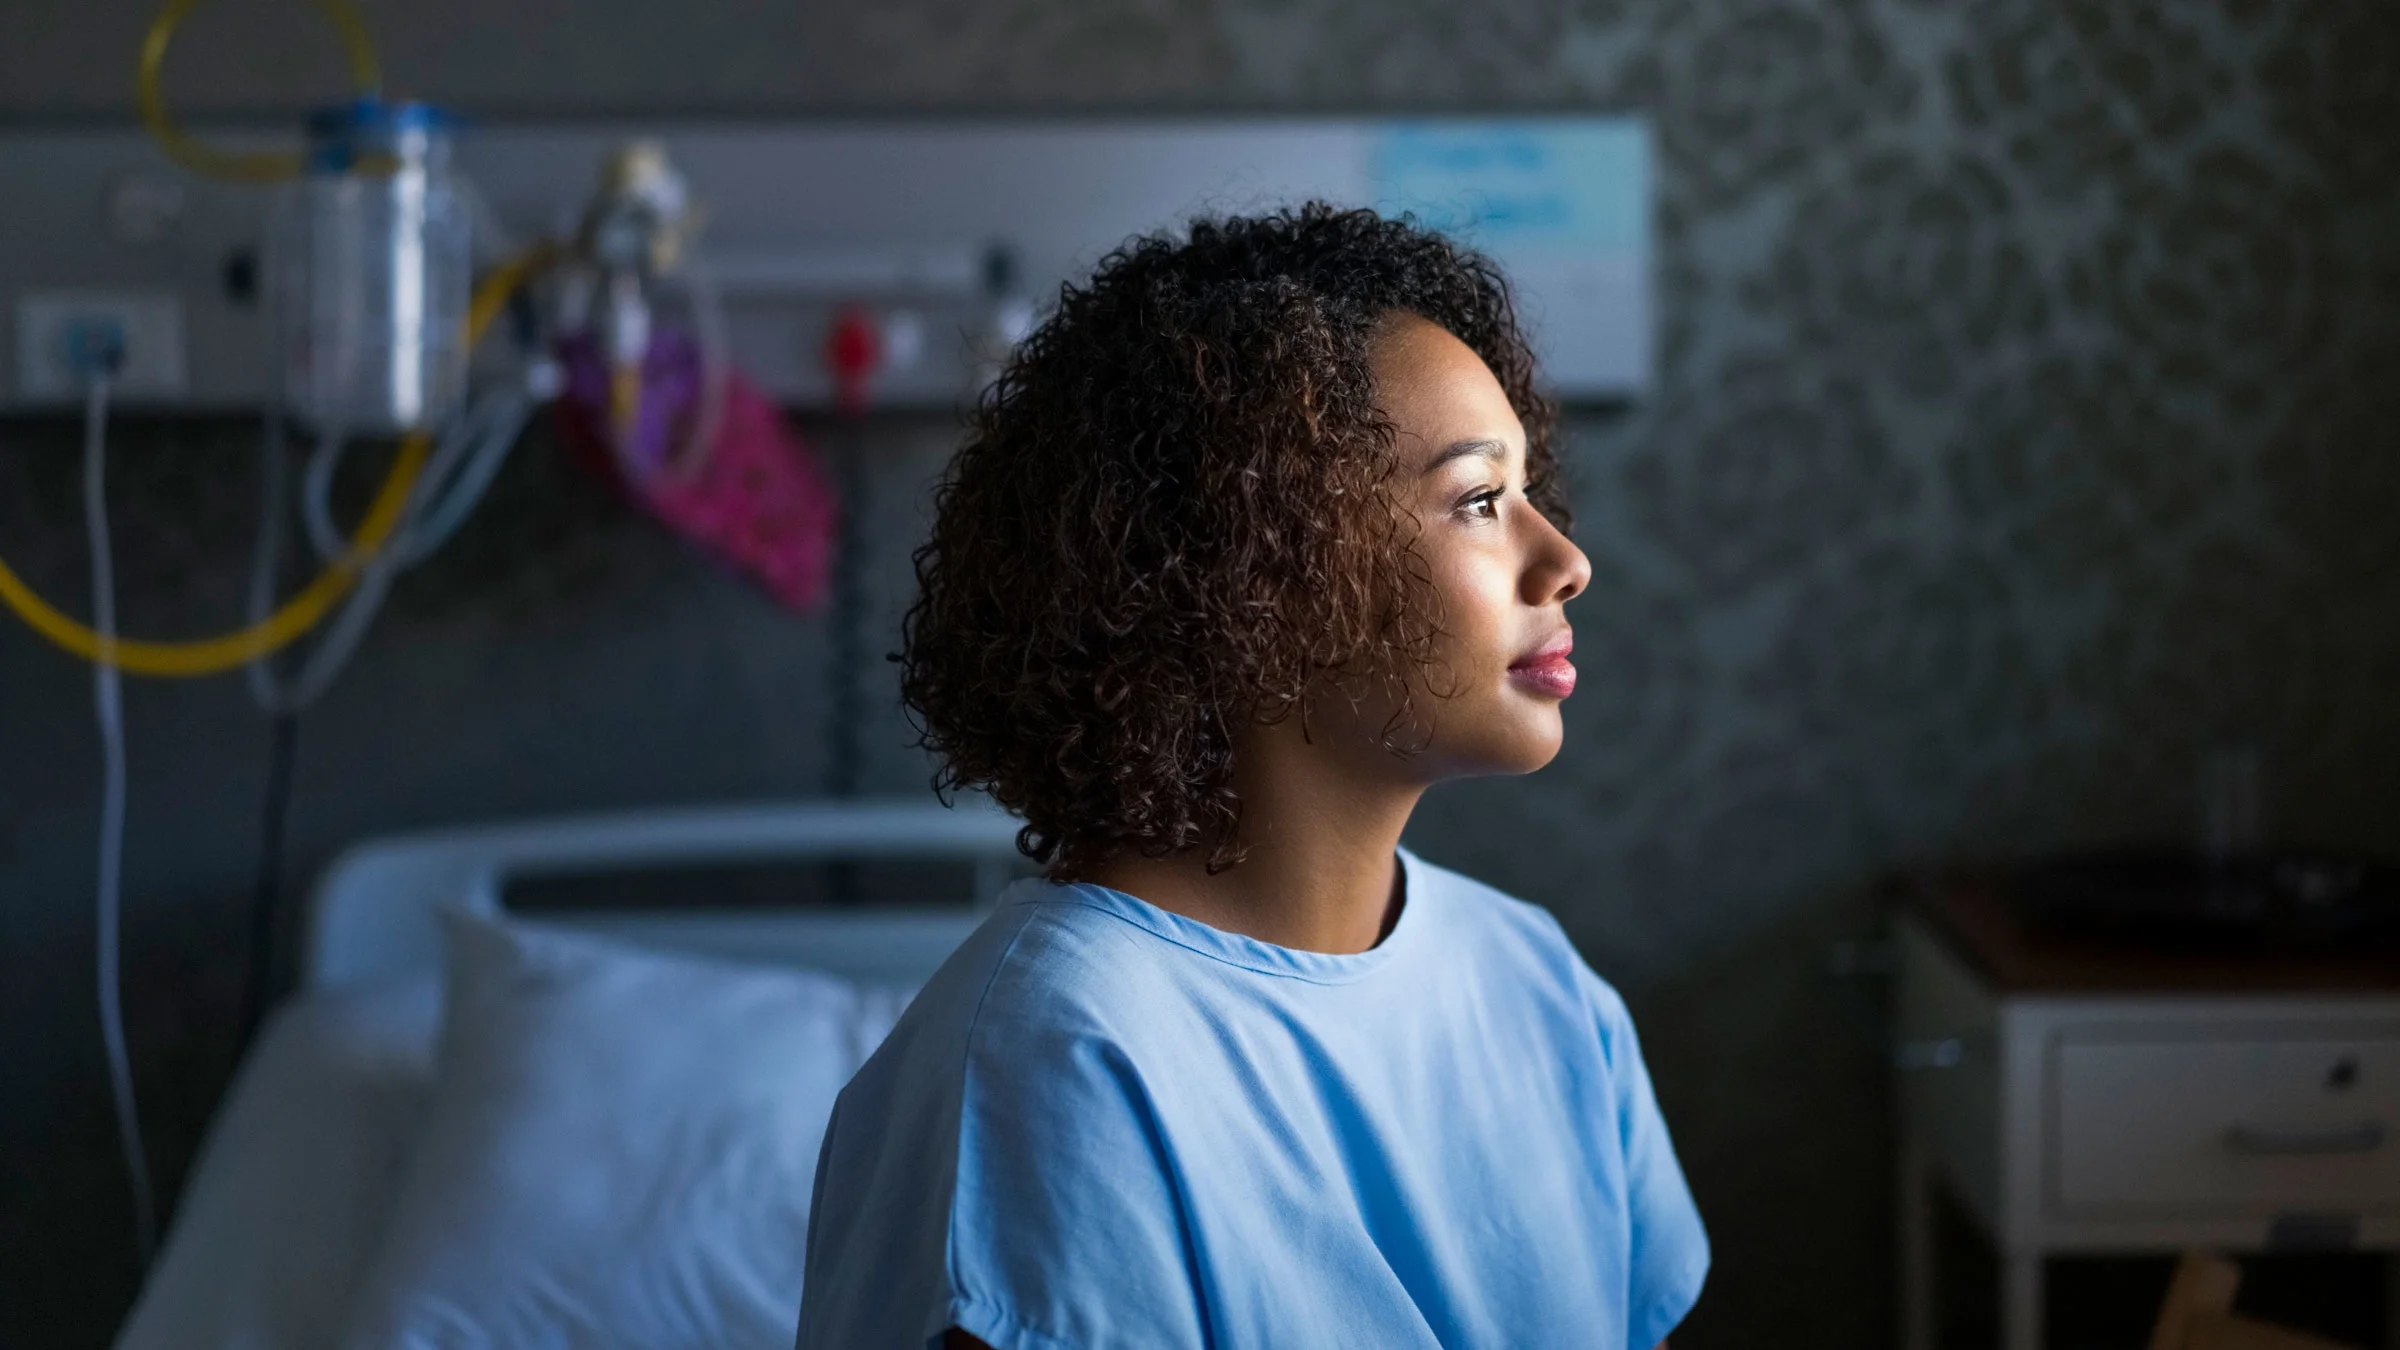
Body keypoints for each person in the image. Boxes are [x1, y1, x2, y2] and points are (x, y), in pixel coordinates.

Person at [796, 204, 1706, 1350]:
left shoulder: (1545, 991)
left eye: (1530, 494)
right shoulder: (1058, 1068)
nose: (1565, 562)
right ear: (1259, 571)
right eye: (1480, 501)